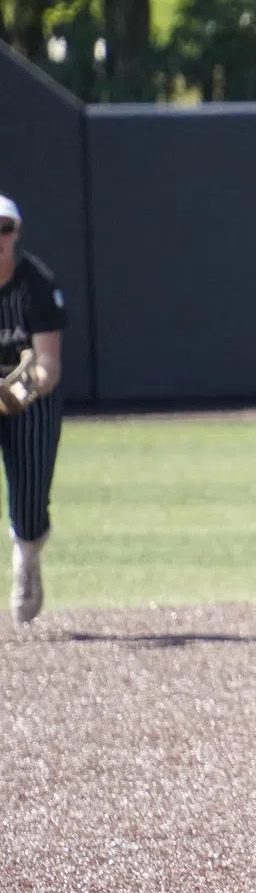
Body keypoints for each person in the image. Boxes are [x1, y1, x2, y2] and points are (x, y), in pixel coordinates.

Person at [0, 194, 65, 626]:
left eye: (4, 229)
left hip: (27, 396)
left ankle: (26, 559)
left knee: (29, 501)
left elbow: (48, 365)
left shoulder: (34, 282)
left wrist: (15, 394)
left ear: (16, 234)